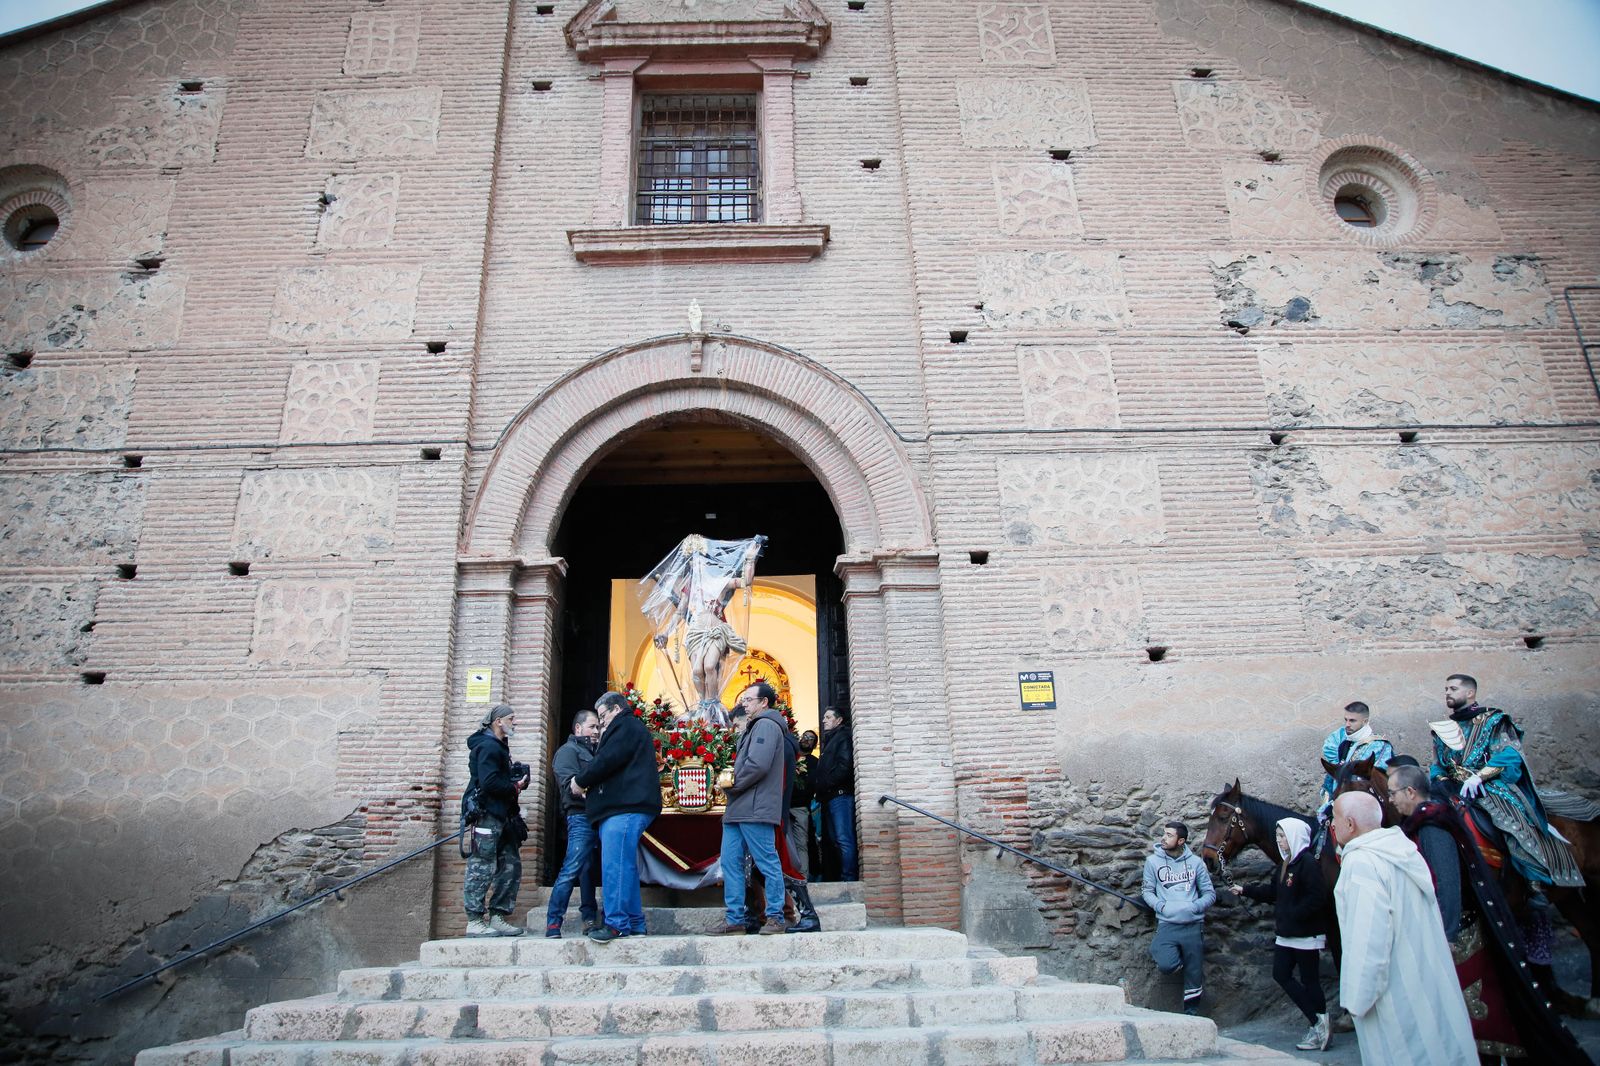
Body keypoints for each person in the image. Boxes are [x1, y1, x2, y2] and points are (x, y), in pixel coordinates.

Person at [1389, 764, 1591, 1064]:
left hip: (1463, 936)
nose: (1390, 799)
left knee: (1485, 1019)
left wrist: (1446, 937)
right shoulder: (1423, 822)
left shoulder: (1433, 826)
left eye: (1392, 793)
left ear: (1410, 791)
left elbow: (1447, 885)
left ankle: (1532, 878)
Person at [1330, 791, 1475, 1066]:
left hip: (1395, 999)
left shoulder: (1362, 863)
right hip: (1424, 981)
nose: (1331, 826)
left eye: (1334, 818)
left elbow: (1368, 940)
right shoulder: (1405, 852)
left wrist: (1357, 1000)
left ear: (1350, 824)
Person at [1429, 673, 1582, 892]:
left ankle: (1534, 877)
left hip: (1487, 786)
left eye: (1453, 689)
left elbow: (1510, 754)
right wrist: (1440, 779)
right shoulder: (1442, 728)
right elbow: (1437, 762)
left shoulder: (1494, 720)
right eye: (1446, 689)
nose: (1447, 693)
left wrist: (1479, 777)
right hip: (1451, 787)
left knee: (1508, 821)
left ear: (1470, 693)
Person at [1228, 817, 1331, 1051]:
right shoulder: (1285, 865)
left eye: (1283, 836)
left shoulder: (1307, 863)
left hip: (1305, 934)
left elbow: (1317, 898)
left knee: (1310, 980)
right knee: (1281, 974)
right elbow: (1273, 892)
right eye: (1279, 836)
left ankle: (1320, 1024)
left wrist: (1294, 914)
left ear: (1295, 836)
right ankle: (1317, 1021)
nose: (1280, 840)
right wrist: (1245, 890)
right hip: (1287, 934)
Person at [571, 690, 663, 943]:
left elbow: (607, 760)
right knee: (626, 867)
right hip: (625, 807)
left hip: (625, 808)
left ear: (615, 709)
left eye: (602, 716)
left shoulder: (624, 726)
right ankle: (634, 923)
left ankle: (617, 924)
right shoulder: (628, 728)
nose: (600, 723)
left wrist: (580, 781)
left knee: (615, 866)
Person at [712, 682, 790, 935]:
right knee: (730, 863)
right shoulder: (754, 726)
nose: (743, 703)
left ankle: (776, 917)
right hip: (739, 808)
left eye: (748, 699)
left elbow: (757, 765)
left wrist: (730, 785)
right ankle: (735, 919)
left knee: (767, 862)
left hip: (755, 807)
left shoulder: (766, 725)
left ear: (764, 702)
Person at [463, 703, 530, 937]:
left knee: (511, 865)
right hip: (487, 814)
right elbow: (489, 782)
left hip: (504, 815)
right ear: (498, 721)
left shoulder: (499, 747)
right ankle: (474, 920)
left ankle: (498, 916)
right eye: (511, 718)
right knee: (482, 865)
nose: (515, 722)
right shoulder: (488, 747)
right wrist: (514, 786)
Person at [1141, 821, 1215, 1015]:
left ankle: (1192, 1014)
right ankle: (1179, 961)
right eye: (1164, 834)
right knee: (1165, 960)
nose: (1164, 838)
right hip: (1167, 922)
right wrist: (1161, 906)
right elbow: (1147, 891)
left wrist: (1194, 907)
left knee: (1194, 971)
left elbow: (1209, 893)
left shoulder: (1196, 863)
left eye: (1169, 835)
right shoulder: (1153, 862)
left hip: (1193, 923)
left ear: (1181, 840)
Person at [543, 709, 602, 938]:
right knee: (572, 869)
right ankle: (553, 923)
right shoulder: (567, 752)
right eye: (592, 727)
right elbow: (570, 785)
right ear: (578, 729)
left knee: (589, 871)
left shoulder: (596, 752)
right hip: (580, 817)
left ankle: (589, 918)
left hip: (598, 817)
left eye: (598, 727)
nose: (596, 731)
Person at [1319, 701, 1393, 813]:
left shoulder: (1380, 746)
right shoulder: (1345, 744)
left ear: (1365, 721)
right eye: (1346, 720)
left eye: (1352, 720)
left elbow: (1380, 781)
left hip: (1370, 807)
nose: (1347, 724)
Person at [815, 706, 858, 881]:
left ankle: (849, 878)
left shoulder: (843, 737)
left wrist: (825, 783)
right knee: (834, 840)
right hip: (830, 797)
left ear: (839, 720)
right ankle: (842, 877)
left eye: (828, 717)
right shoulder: (832, 739)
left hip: (840, 796)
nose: (824, 720)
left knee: (843, 839)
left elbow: (844, 766)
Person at [788, 728, 818, 879]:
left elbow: (811, 786)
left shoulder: (814, 763)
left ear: (813, 745)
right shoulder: (788, 756)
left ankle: (802, 878)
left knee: (801, 843)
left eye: (810, 738)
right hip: (781, 806)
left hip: (800, 807)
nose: (806, 739)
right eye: (805, 736)